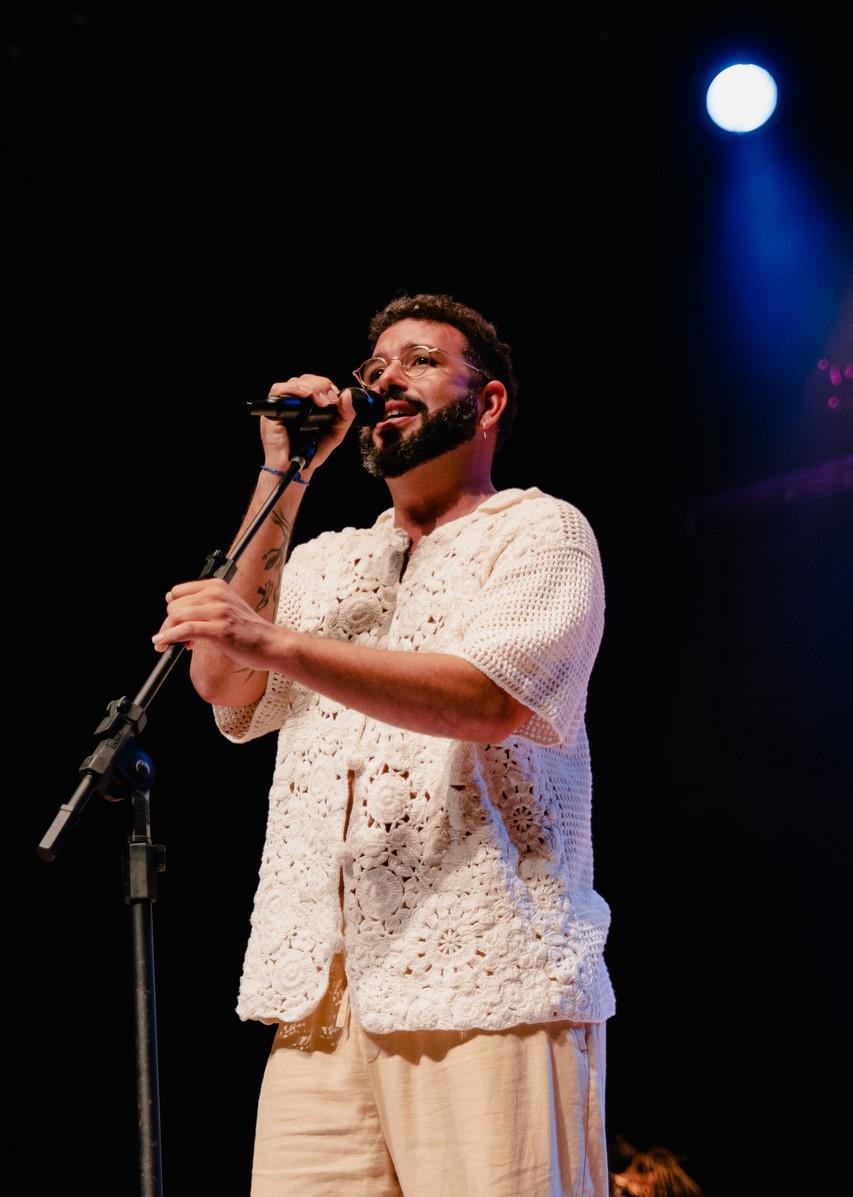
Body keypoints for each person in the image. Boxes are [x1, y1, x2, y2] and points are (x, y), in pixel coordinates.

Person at [154, 293, 615, 1196]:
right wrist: (284, 471)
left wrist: (270, 640)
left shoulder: (538, 531)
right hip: (321, 998)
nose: (382, 379)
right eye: (373, 368)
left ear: (485, 405)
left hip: (488, 981)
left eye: (416, 361)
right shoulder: (327, 559)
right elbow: (225, 686)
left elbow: (487, 699)